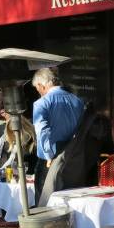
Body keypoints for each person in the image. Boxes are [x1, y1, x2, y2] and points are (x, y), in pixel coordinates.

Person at [31, 67, 85, 204]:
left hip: (51, 157)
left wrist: (48, 155)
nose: (39, 92)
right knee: (70, 200)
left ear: (41, 85)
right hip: (74, 155)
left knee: (45, 202)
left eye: (37, 89)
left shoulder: (41, 103)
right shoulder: (77, 101)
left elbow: (42, 132)